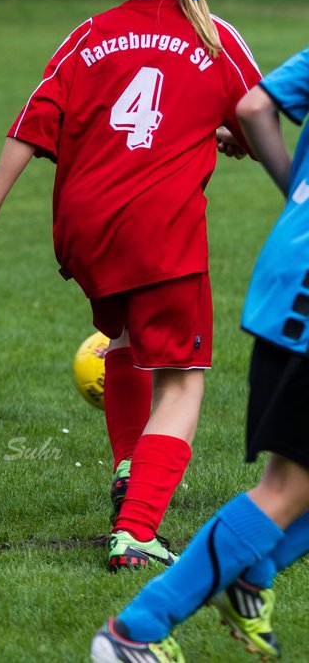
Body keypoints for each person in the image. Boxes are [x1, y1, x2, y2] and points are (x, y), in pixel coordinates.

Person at [0, 0, 262, 572]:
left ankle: (127, 467)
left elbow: (35, 119)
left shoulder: (88, 34)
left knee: (123, 339)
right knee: (182, 378)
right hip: (160, 232)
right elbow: (256, 113)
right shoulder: (212, 33)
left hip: (86, 232)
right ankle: (138, 530)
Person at [90, 51, 309, 662]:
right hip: (307, 302)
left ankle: (248, 573)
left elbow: (255, 105)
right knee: (286, 488)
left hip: (287, 271)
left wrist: (300, 197)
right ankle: (135, 631)